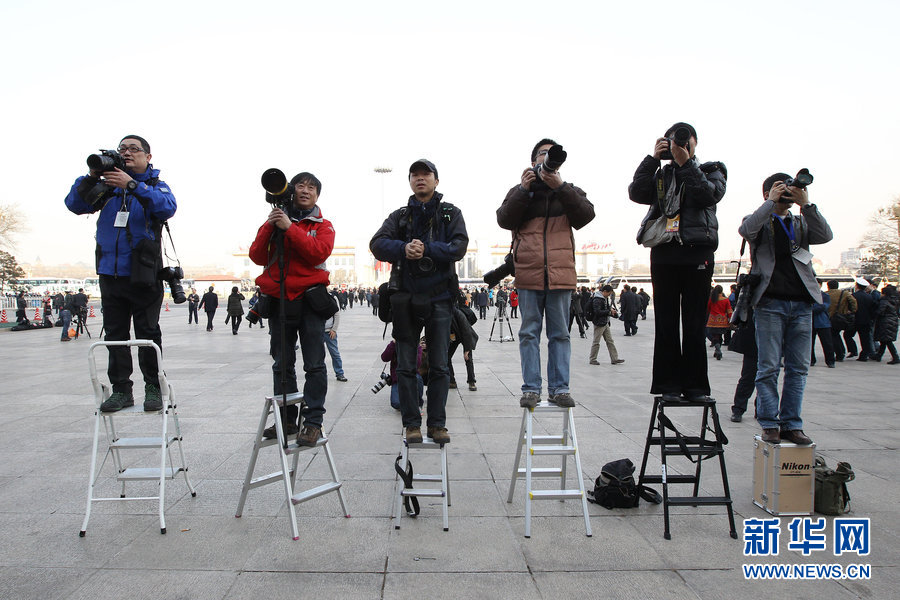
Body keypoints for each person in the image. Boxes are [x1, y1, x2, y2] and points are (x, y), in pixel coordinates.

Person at [65, 135, 176, 412]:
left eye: (134, 149)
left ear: (147, 157)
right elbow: (75, 205)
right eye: (122, 149)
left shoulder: (154, 186)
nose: (126, 153)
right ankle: (121, 390)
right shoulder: (107, 188)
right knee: (115, 334)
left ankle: (153, 386)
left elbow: (167, 207)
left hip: (143, 272)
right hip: (109, 272)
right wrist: (92, 176)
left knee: (148, 334)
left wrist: (133, 185)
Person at [370, 159, 468, 444]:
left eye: (426, 174)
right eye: (415, 175)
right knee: (405, 365)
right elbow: (377, 244)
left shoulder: (451, 213)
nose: (420, 178)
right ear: (410, 181)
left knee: (439, 364)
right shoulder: (399, 216)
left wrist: (428, 249)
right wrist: (403, 248)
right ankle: (411, 422)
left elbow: (459, 246)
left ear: (437, 180)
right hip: (405, 297)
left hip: (440, 296)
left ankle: (437, 424)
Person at [629, 122, 726, 402]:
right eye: (673, 140)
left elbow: (707, 195)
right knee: (667, 323)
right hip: (664, 252)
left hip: (697, 252)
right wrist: (651, 160)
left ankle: (696, 387)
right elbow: (637, 192)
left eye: (685, 140)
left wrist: (686, 165)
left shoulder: (711, 170)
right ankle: (668, 385)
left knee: (695, 322)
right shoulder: (662, 173)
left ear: (695, 142)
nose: (680, 145)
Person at [497, 138, 595, 409]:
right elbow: (504, 219)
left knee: (560, 333)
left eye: (551, 155)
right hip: (528, 274)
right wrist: (523, 189)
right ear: (532, 161)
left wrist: (560, 187)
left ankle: (559, 388)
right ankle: (531, 388)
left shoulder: (568, 190)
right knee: (529, 332)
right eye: (542, 154)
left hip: (560, 273)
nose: (547, 158)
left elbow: (586, 216)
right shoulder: (521, 190)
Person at [738, 172, 833, 445]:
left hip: (802, 303)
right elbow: (746, 231)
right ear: (767, 192)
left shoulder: (800, 222)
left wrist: (808, 205)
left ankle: (792, 424)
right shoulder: (758, 220)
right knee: (767, 367)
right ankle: (769, 422)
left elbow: (825, 236)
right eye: (782, 189)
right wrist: (771, 202)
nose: (787, 194)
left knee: (798, 368)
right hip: (770, 302)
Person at [250, 171, 335, 447]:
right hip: (279, 301)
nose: (306, 190)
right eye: (301, 185)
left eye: (312, 187)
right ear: (292, 190)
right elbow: (257, 255)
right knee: (281, 364)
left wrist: (290, 227)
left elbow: (317, 252)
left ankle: (312, 421)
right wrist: (272, 223)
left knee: (314, 364)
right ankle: (286, 419)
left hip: (310, 302)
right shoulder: (276, 221)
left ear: (317, 195)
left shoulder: (324, 225)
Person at [448, 290, 479, 391]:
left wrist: (467, 349)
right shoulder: (446, 312)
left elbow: (466, 331)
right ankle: (451, 381)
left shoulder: (457, 313)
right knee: (447, 356)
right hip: (454, 336)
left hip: (465, 335)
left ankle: (472, 381)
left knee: (468, 358)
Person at [589, 285, 624, 366]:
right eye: (608, 293)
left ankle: (614, 358)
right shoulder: (597, 299)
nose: (609, 295)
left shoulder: (604, 298)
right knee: (596, 342)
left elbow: (606, 309)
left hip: (605, 322)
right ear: (604, 291)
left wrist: (611, 311)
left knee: (610, 341)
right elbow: (597, 312)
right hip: (599, 323)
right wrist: (609, 311)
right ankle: (592, 359)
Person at [826, 279, 857, 360]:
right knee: (837, 335)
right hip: (842, 317)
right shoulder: (844, 293)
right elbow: (853, 302)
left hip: (831, 318)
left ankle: (840, 353)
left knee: (834, 336)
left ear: (828, 286)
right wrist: (851, 311)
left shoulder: (826, 294)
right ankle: (845, 351)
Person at [851, 277, 878, 361]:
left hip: (855, 320)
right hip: (866, 321)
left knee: (848, 335)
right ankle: (864, 355)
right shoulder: (869, 297)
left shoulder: (853, 296)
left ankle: (853, 350)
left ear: (857, 286)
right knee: (865, 339)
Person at [873, 284, 900, 364]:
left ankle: (895, 357)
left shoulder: (884, 301)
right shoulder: (894, 300)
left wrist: (874, 314)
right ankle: (879, 355)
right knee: (884, 340)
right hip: (892, 321)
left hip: (885, 322)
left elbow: (880, 311)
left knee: (887, 340)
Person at [810, 287, 835, 368]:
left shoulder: (825, 295)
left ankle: (830, 361)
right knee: (810, 343)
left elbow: (824, 306)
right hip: (810, 322)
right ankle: (811, 360)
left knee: (827, 343)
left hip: (823, 322)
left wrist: (811, 309)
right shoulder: (808, 294)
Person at [706, 285, 732, 360]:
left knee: (715, 335)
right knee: (720, 336)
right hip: (722, 320)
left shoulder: (712, 299)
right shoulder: (726, 300)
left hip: (712, 320)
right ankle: (718, 349)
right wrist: (730, 318)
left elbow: (708, 308)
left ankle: (717, 349)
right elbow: (729, 310)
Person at [324, 310, 347, 382]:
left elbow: (336, 314)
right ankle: (321, 374)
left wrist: (334, 329)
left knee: (335, 353)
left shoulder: (333, 298)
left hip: (329, 331)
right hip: (318, 330)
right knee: (318, 354)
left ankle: (340, 373)